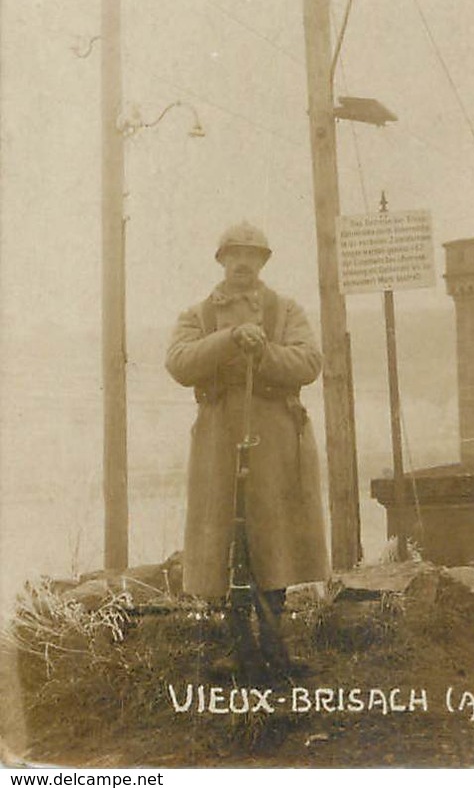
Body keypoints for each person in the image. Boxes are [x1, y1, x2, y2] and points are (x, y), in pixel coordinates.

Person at [165, 222, 329, 678]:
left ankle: (276, 652)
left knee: (274, 545)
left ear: (264, 261)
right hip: (219, 442)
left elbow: (310, 361)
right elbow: (178, 362)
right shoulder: (197, 315)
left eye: (252, 254)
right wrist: (229, 339)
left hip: (275, 444)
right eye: (233, 254)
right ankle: (239, 652)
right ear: (220, 260)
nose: (242, 262)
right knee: (226, 544)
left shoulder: (286, 310)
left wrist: (262, 352)